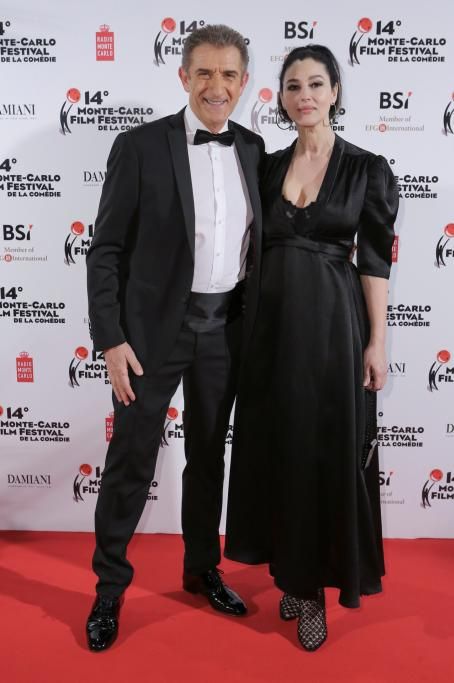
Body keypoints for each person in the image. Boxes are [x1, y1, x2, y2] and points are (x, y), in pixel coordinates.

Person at [85, 24, 264, 652]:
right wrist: (110, 339)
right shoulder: (138, 146)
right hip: (149, 338)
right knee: (131, 461)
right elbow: (105, 250)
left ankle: (201, 569)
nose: (217, 86)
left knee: (209, 458)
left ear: (244, 83)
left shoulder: (253, 148)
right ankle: (109, 589)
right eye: (205, 72)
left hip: (226, 334)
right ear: (184, 76)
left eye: (229, 74)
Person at [225, 44, 399, 651]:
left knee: (323, 454)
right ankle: (291, 577)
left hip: (331, 331)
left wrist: (377, 342)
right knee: (279, 451)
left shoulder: (367, 169)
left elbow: (374, 263)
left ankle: (315, 592)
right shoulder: (266, 166)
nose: (304, 95)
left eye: (316, 84)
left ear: (335, 92)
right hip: (269, 330)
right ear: (280, 96)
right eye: (293, 85)